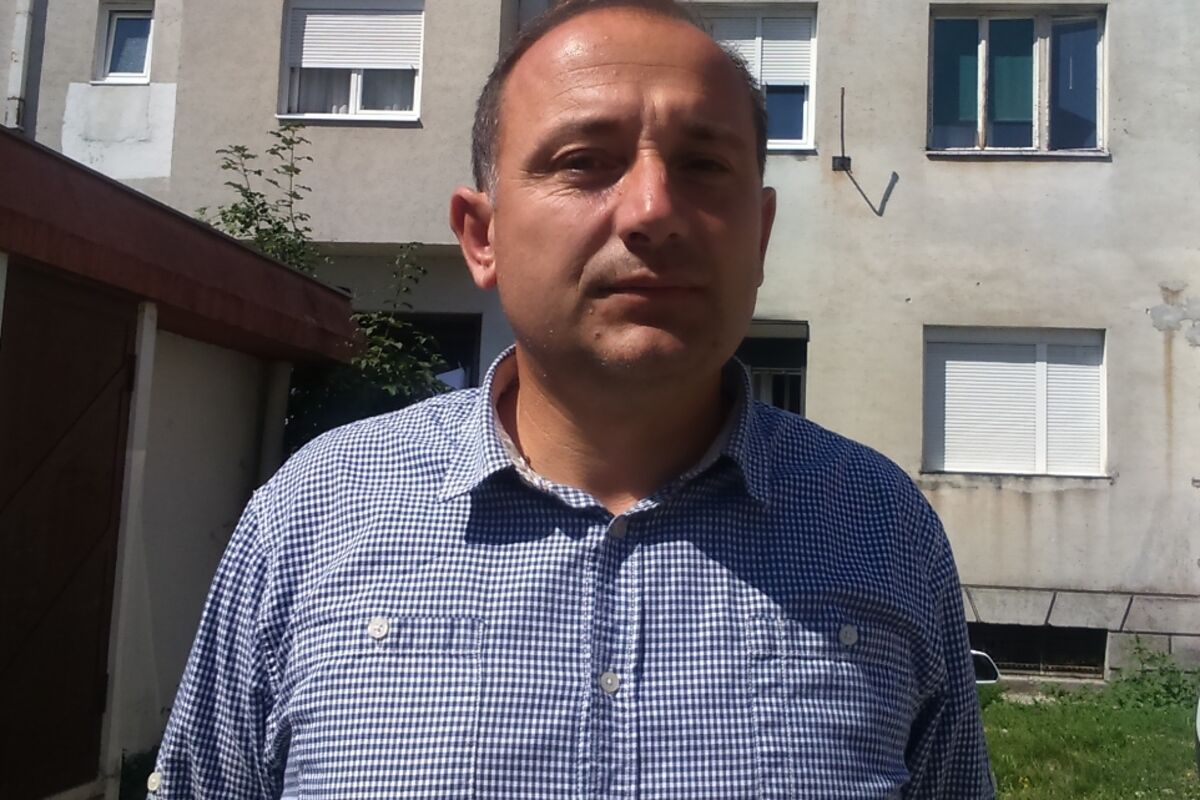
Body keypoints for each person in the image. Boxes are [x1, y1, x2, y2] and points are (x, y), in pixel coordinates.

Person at [149, 0, 993, 797]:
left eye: (704, 166)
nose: (654, 211)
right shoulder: (311, 517)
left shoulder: (881, 529)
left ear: (761, 234)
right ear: (482, 236)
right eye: (585, 161)